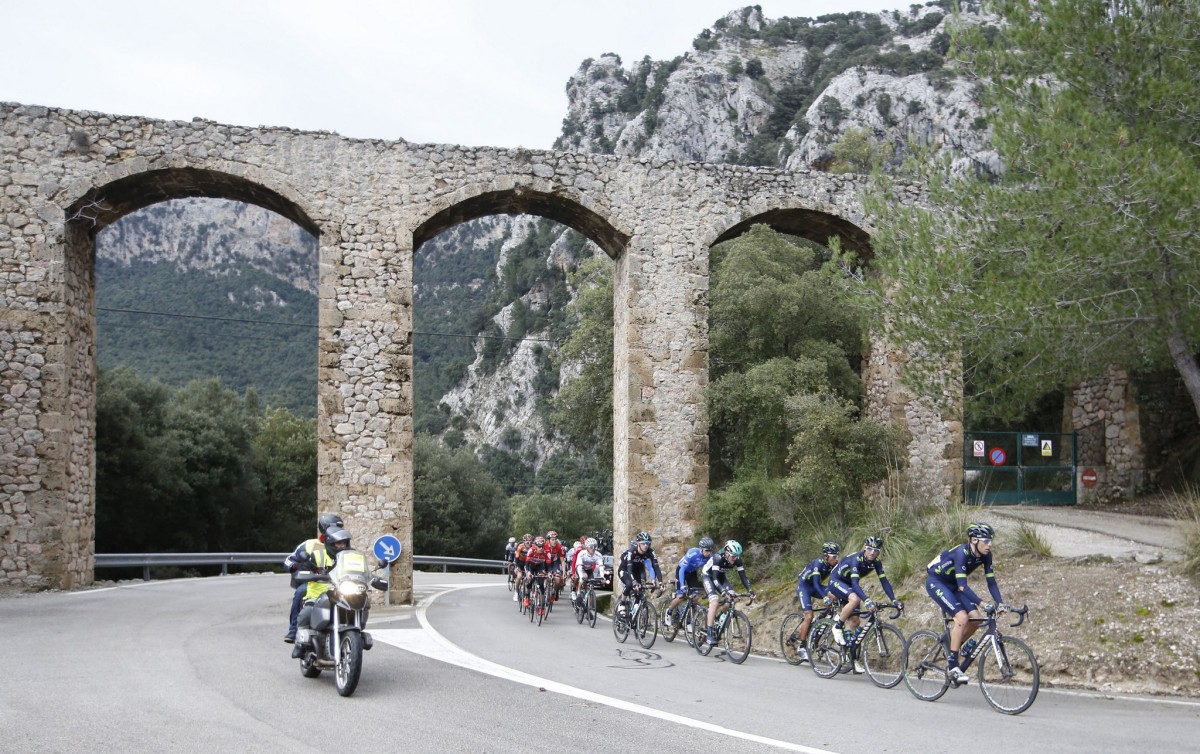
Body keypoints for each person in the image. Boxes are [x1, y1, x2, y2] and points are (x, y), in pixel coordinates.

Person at [926, 522, 1005, 685]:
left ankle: (952, 646)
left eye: (991, 541)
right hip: (937, 582)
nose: (989, 544)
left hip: (953, 585)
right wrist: (983, 603)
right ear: (974, 540)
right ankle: (953, 666)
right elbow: (963, 586)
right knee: (962, 619)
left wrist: (1000, 603)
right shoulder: (962, 552)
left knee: (976, 619)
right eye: (986, 540)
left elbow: (991, 582)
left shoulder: (986, 555)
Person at [827, 535, 901, 672]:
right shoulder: (857, 559)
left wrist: (894, 600)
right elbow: (855, 583)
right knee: (855, 599)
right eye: (870, 549)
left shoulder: (876, 563)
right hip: (837, 581)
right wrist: (866, 600)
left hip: (848, 585)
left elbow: (884, 582)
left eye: (876, 550)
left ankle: (852, 659)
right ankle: (838, 626)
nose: (872, 552)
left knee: (855, 623)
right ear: (864, 548)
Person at [290, 526, 354, 658]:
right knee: (306, 613)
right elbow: (304, 567)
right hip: (317, 593)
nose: (341, 546)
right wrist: (306, 573)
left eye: (344, 543)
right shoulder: (318, 553)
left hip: (340, 593)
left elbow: (360, 570)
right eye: (338, 543)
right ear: (331, 543)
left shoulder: (351, 556)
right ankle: (300, 644)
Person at [282, 512, 343, 643]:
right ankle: (293, 630)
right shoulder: (310, 545)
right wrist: (293, 566)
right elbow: (289, 560)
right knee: (300, 592)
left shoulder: (343, 546)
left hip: (338, 585)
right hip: (314, 583)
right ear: (324, 530)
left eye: (338, 529)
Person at [791, 541, 842, 664]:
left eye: (837, 556)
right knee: (808, 615)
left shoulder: (833, 565)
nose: (836, 559)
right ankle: (802, 647)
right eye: (834, 556)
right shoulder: (818, 564)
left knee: (835, 596)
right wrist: (825, 597)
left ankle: (821, 618)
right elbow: (815, 584)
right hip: (805, 587)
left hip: (816, 586)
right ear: (826, 556)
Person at [700, 539, 755, 646]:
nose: (735, 559)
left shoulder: (737, 559)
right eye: (733, 556)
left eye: (737, 556)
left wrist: (750, 591)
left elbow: (743, 577)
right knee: (715, 601)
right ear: (726, 553)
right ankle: (709, 633)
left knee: (733, 599)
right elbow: (715, 579)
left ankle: (718, 618)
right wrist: (723, 592)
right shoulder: (718, 557)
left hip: (721, 578)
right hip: (709, 577)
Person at [664, 536, 714, 629]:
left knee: (695, 596)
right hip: (682, 571)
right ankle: (669, 611)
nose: (708, 553)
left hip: (692, 573)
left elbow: (709, 573)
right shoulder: (692, 553)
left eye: (710, 550)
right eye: (707, 550)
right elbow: (682, 569)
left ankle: (687, 618)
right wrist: (682, 585)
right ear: (701, 549)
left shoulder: (710, 557)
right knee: (681, 596)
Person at [616, 531, 662, 616]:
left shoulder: (650, 552)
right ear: (638, 543)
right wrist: (633, 581)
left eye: (648, 543)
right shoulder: (631, 551)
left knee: (641, 589)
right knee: (630, 584)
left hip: (638, 569)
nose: (646, 546)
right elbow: (629, 568)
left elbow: (655, 567)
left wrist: (660, 582)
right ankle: (622, 604)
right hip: (625, 569)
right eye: (643, 543)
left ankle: (635, 610)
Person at [572, 537, 606, 606]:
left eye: (595, 547)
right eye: (591, 547)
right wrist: (581, 576)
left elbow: (601, 567)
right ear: (587, 547)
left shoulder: (598, 555)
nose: (593, 549)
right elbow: (579, 567)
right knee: (583, 577)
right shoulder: (582, 554)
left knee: (591, 583)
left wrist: (602, 576)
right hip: (581, 568)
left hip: (589, 569)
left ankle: (588, 606)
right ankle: (578, 593)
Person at [544, 530, 567, 602]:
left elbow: (562, 561)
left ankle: (554, 591)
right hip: (545, 562)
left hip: (554, 562)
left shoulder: (559, 546)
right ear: (548, 540)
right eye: (552, 540)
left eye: (555, 539)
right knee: (545, 577)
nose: (554, 541)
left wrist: (564, 572)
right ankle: (544, 591)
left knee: (557, 580)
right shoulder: (544, 546)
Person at [512, 533, 533, 602]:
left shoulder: (533, 547)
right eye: (527, 542)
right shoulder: (520, 547)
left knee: (531, 577)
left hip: (529, 563)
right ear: (524, 541)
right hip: (520, 563)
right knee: (519, 576)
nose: (529, 543)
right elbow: (516, 558)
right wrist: (517, 567)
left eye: (530, 542)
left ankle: (530, 592)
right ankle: (516, 591)